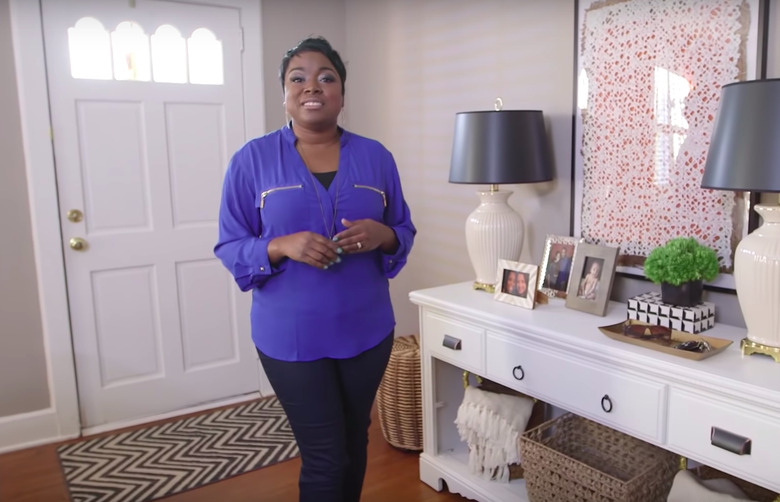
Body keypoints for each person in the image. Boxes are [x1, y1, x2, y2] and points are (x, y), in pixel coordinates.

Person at [214, 36, 416, 502]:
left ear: (342, 92)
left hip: (366, 330)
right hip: (292, 336)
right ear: (285, 93)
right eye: (298, 78)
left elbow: (402, 229)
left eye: (326, 77)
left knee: (354, 439)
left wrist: (381, 234)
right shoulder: (252, 160)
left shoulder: (376, 157)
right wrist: (281, 245)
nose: (313, 87)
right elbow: (230, 245)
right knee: (325, 453)